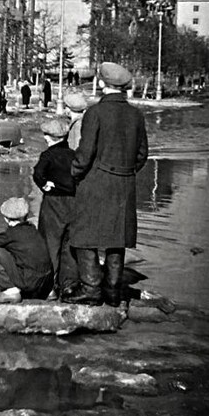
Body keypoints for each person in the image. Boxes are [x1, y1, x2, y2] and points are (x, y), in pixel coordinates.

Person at [64, 62, 149, 307]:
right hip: (124, 184)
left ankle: (91, 288)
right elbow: (142, 154)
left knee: (83, 235)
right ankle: (113, 291)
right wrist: (126, 173)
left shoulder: (95, 113)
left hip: (96, 182)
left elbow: (85, 152)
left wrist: (75, 172)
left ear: (101, 83)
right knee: (117, 238)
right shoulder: (136, 115)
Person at [32, 118, 78, 300]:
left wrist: (45, 185)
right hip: (74, 202)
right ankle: (69, 286)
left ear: (50, 137)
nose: (44, 137)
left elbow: (38, 175)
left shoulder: (47, 156)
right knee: (69, 245)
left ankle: (50, 287)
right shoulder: (74, 155)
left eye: (45, 135)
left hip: (53, 203)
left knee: (50, 243)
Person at [0, 197, 54, 304]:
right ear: (26, 216)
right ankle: (49, 292)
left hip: (30, 282)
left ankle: (11, 291)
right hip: (45, 283)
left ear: (6, 219)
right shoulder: (34, 231)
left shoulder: (10, 235)